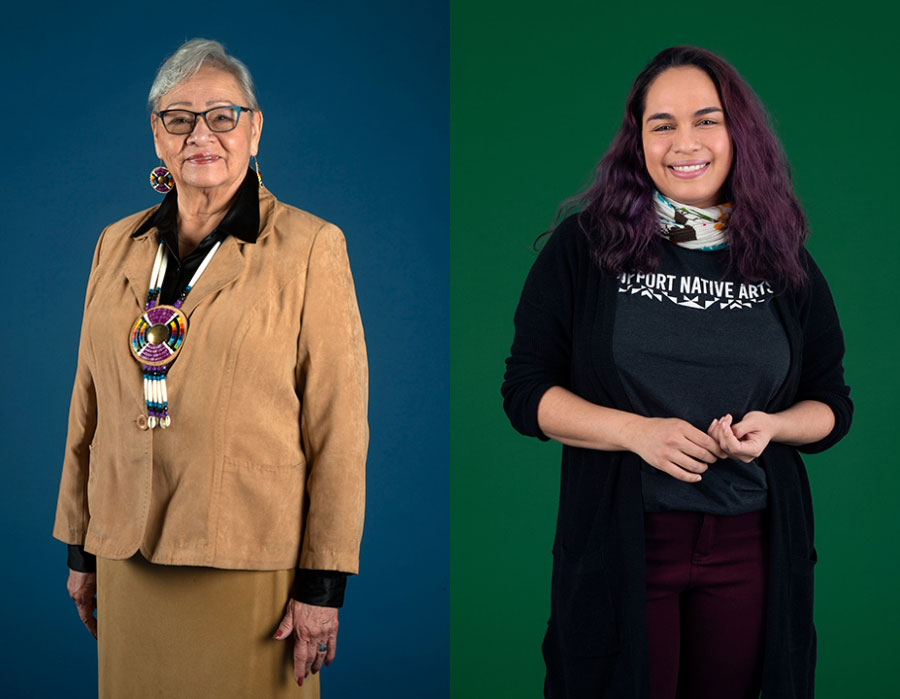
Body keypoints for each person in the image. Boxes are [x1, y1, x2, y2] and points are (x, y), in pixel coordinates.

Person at [502, 46, 852, 699]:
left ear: (737, 133)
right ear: (637, 139)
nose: (683, 142)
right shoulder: (585, 247)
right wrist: (637, 433)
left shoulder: (783, 260)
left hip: (751, 541)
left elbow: (831, 403)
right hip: (624, 542)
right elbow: (526, 392)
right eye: (661, 123)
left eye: (705, 120)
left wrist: (772, 426)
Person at [53, 38, 368, 698]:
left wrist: (322, 584)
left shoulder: (312, 247)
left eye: (223, 115)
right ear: (157, 135)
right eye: (179, 117)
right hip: (127, 552)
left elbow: (340, 428)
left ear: (255, 129)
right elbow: (89, 400)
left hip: (248, 556)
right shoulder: (117, 243)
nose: (201, 133)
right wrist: (80, 545)